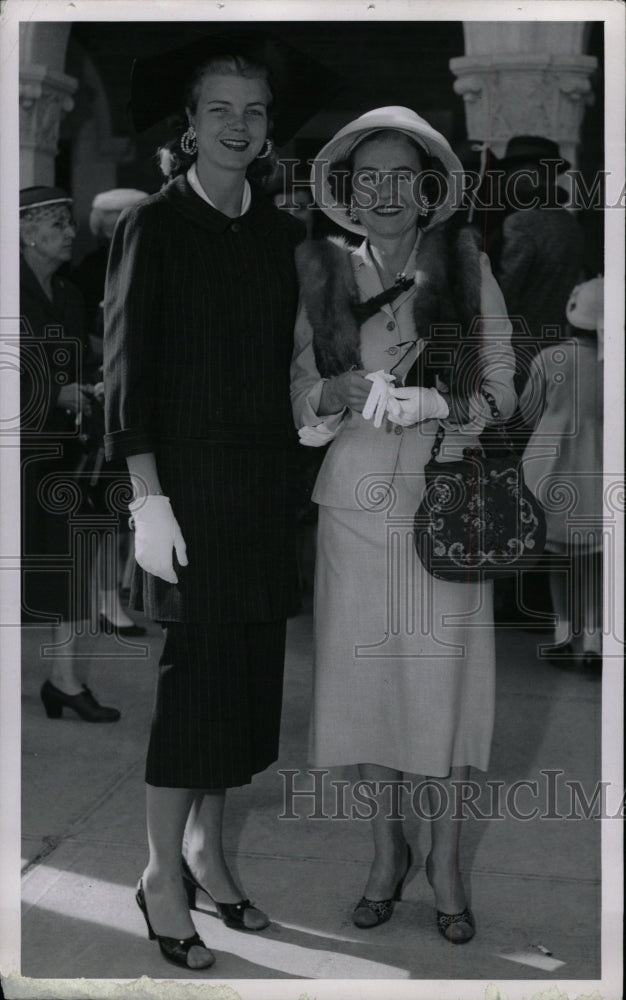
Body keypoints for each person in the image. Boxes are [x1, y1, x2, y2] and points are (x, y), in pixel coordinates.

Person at [104, 36, 339, 971]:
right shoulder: (152, 227)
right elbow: (128, 372)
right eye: (219, 111)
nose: (239, 127)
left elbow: (300, 359)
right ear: (188, 125)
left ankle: (208, 851)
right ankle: (162, 874)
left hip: (265, 490)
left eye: (253, 111)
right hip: (187, 493)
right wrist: (146, 496)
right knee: (192, 691)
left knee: (245, 690)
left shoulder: (286, 235)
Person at [291, 107, 516, 943]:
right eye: (368, 176)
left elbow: (503, 392)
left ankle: (447, 860)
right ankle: (387, 853)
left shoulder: (465, 265)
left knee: (447, 694)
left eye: (402, 176)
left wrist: (437, 404)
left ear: (428, 191)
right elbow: (297, 395)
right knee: (368, 694)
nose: (385, 191)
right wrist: (331, 398)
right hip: (351, 511)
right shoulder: (322, 273)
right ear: (349, 191)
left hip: (447, 510)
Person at [20, 185, 120, 723]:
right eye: (57, 222)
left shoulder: (69, 294)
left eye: (68, 221)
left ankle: (63, 680)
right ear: (26, 231)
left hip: (55, 454)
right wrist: (50, 393)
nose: (70, 231)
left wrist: (90, 388)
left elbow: (76, 361)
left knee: (70, 562)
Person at [73, 188, 150, 638]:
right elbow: (87, 336)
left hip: (129, 389)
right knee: (107, 507)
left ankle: (121, 589)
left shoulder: (140, 258)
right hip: (101, 395)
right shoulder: (89, 269)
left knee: (127, 504)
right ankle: (104, 600)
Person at [519, 276, 604, 672]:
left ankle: (562, 634)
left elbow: (527, 412)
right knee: (596, 563)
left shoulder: (550, 358)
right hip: (599, 471)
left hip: (551, 472)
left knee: (558, 559)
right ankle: (594, 642)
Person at [495, 135, 584, 393]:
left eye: (513, 173)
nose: (507, 181)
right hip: (558, 345)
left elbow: (504, 295)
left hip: (518, 350)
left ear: (532, 173)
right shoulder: (569, 223)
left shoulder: (521, 222)